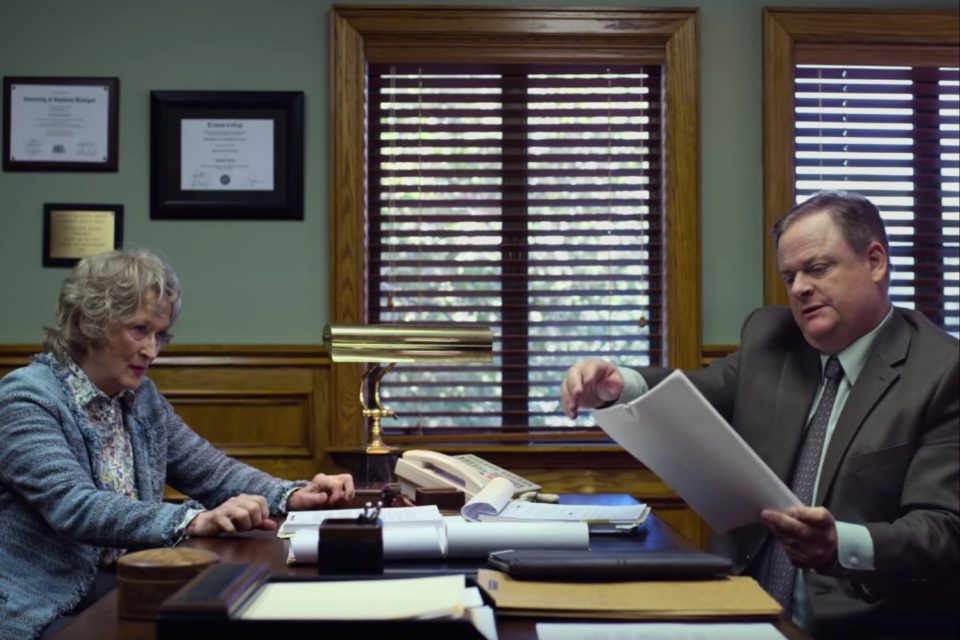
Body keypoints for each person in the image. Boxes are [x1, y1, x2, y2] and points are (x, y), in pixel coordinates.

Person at [561, 191, 958, 639]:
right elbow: (697, 394)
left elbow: (944, 532)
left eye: (817, 268)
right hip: (734, 610)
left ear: (875, 261)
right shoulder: (772, 337)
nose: (800, 288)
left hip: (856, 624)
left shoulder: (942, 371)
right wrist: (617, 385)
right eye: (790, 276)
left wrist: (840, 544)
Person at [0, 249, 356, 639]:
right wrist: (189, 520)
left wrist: (291, 495)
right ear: (90, 321)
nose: (152, 351)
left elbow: (212, 472)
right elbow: (75, 506)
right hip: (36, 605)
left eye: (160, 335)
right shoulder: (26, 398)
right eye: (139, 330)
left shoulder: (141, 398)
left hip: (124, 583)